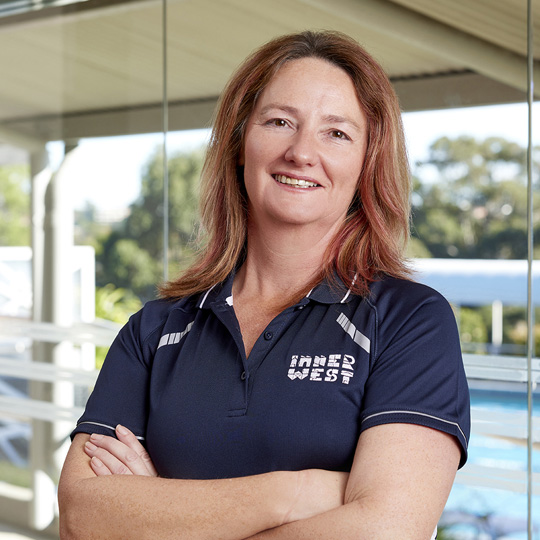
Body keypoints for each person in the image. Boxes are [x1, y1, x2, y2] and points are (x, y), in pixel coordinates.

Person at [58, 30, 470, 539]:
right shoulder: (155, 329)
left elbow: (386, 530)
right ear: (238, 144)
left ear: (367, 162)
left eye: (336, 133)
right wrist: (295, 494)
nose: (301, 152)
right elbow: (82, 517)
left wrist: (157, 515)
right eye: (279, 122)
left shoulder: (409, 321)